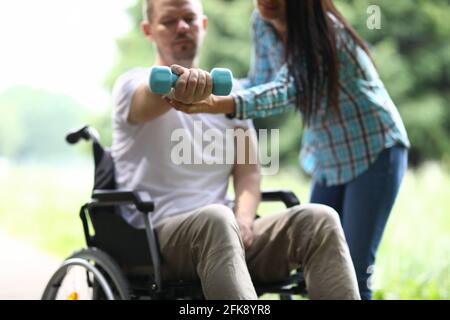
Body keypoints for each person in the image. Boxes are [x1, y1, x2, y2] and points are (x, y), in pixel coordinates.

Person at [111, 0, 360, 299]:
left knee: (319, 219)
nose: (181, 27)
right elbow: (146, 99)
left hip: (229, 233)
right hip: (158, 240)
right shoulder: (131, 85)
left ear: (202, 25)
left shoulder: (231, 96)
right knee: (216, 219)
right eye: (169, 21)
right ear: (149, 30)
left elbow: (249, 173)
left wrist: (244, 219)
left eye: (189, 19)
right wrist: (172, 86)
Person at [167, 0, 409, 299]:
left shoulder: (326, 34)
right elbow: (261, 82)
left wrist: (218, 103)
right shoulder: (262, 22)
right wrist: (206, 85)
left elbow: (286, 89)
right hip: (328, 154)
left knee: (355, 266)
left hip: (375, 146)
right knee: (314, 260)